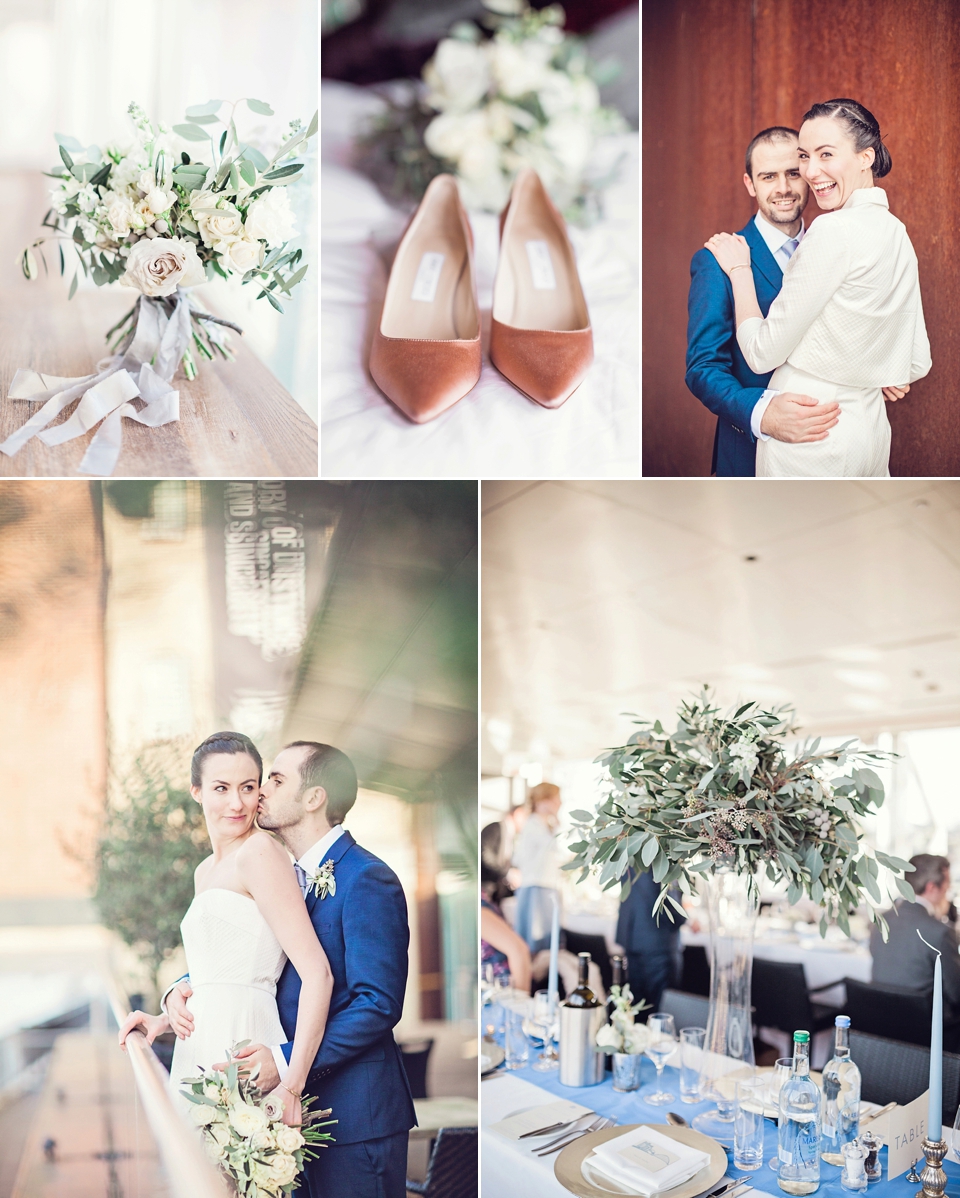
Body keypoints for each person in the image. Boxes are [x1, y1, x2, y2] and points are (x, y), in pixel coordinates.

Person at [163, 739, 416, 1198]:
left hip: (356, 1115)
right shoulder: (282, 870)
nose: (256, 795)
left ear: (314, 798)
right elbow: (254, 955)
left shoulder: (367, 877)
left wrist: (284, 1064)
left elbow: (378, 1003)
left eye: (272, 781)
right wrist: (177, 991)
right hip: (281, 1109)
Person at [118, 731, 334, 1140]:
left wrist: (292, 1083)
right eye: (221, 788)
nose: (237, 803)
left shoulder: (260, 853)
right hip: (198, 1045)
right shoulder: (204, 870)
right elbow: (217, 967)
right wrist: (165, 1018)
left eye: (248, 787)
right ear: (197, 791)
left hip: (245, 1040)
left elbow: (317, 974)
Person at [705, 98, 931, 477]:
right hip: (869, 431)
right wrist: (873, 367)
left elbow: (761, 354)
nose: (811, 171)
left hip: (811, 431)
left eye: (826, 154)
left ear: (865, 157)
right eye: (805, 157)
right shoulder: (897, 232)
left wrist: (741, 271)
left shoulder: (832, 230)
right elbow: (915, 362)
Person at [688, 125, 841, 476]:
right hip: (750, 456)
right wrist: (762, 413)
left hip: (834, 447)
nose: (784, 188)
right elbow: (703, 368)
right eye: (768, 176)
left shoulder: (834, 248)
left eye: (792, 173)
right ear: (750, 184)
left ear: (807, 174)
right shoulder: (716, 261)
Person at [870, 853, 960, 1041]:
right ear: (931, 887)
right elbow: (957, 993)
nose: (949, 890)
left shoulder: (880, 920)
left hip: (882, 1024)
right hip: (929, 1032)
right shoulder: (940, 932)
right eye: (947, 885)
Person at [616, 871, 685, 1011]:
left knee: (637, 1009)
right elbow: (674, 912)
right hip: (659, 945)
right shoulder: (661, 859)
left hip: (633, 940)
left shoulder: (627, 853)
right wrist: (684, 919)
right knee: (662, 1012)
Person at [512, 782, 562, 955]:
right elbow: (557, 847)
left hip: (542, 886)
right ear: (544, 800)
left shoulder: (539, 825)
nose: (559, 803)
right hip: (538, 887)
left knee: (544, 942)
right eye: (556, 799)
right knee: (538, 942)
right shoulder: (534, 825)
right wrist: (556, 821)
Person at [481, 862, 532, 991]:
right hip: (496, 992)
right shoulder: (480, 907)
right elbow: (518, 950)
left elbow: (519, 951)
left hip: (503, 989)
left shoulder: (485, 903)